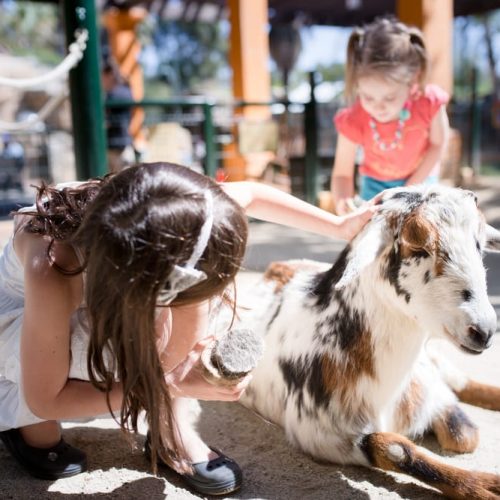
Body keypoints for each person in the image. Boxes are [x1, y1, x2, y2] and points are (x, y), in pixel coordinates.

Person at [0, 162, 376, 495]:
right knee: (97, 355)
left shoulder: (183, 210)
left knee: (185, 307)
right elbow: (46, 397)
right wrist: (168, 382)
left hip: (127, 277)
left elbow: (254, 195)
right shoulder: (52, 267)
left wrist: (340, 227)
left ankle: (170, 426)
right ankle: (27, 429)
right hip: (18, 317)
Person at [330, 17, 450, 215]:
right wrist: (343, 202)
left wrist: (409, 189)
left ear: (413, 79)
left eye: (390, 97)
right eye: (368, 97)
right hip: (375, 191)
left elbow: (438, 144)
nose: (379, 107)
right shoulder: (354, 119)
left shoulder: (428, 102)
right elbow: (342, 174)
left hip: (422, 185)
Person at [102, 59, 135, 173]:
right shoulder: (126, 91)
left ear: (109, 75)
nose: (102, 81)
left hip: (115, 146)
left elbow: (107, 121)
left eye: (103, 77)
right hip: (124, 142)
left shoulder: (113, 95)